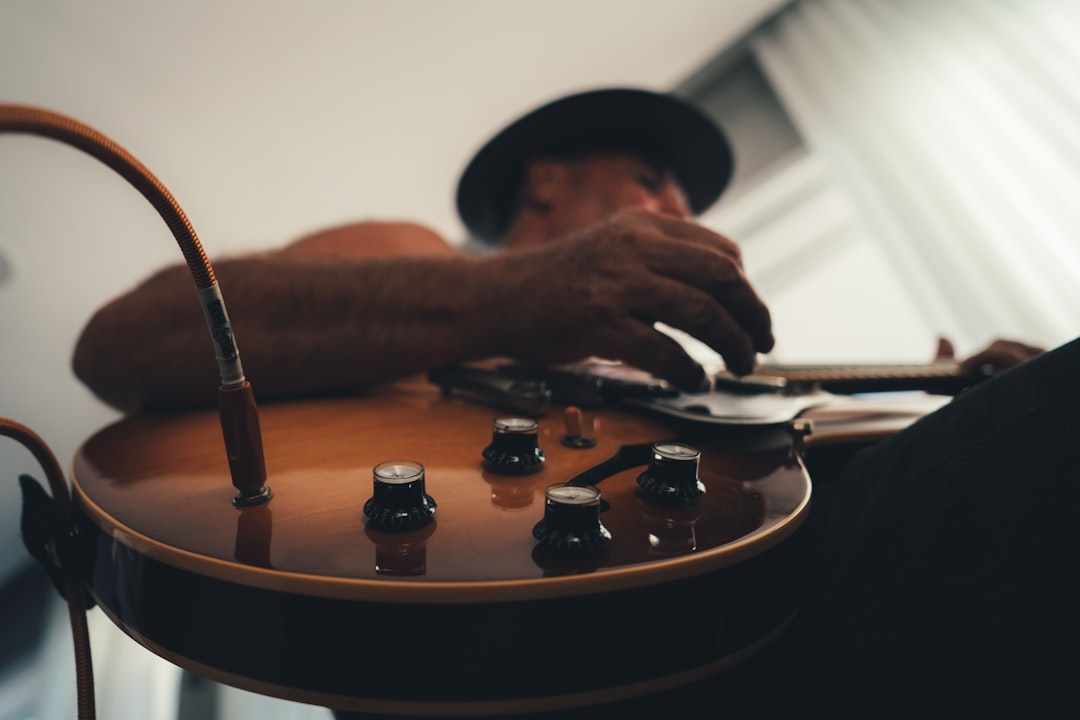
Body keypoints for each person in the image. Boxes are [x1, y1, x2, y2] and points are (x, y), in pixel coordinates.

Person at [71, 88, 1072, 719]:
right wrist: (512, 295)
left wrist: (956, 400)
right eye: (651, 182)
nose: (682, 212)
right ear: (545, 181)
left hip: (779, 612)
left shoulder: (678, 396)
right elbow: (123, 344)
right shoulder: (409, 251)